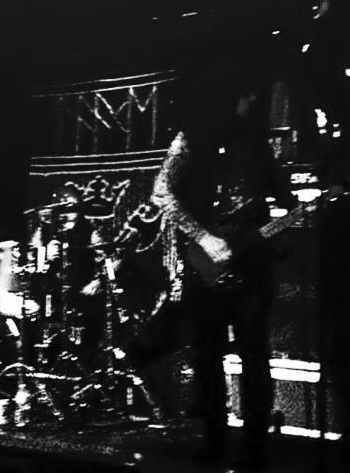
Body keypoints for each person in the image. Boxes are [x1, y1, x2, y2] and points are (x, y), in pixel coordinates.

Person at [151, 70, 296, 470]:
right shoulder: (189, 140)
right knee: (208, 356)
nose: (252, 104)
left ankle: (255, 449)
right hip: (206, 267)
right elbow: (161, 192)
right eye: (247, 97)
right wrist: (204, 238)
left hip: (252, 265)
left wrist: (285, 228)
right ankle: (214, 442)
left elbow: (285, 200)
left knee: (254, 356)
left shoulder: (259, 147)